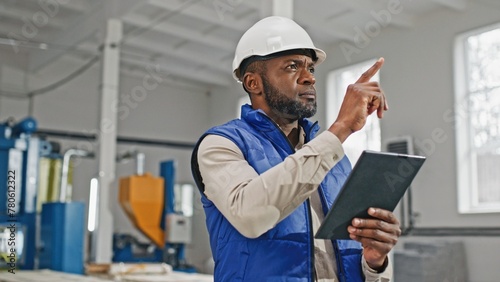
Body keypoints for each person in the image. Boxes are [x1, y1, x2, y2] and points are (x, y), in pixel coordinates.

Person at [191, 16, 401, 281]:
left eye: (311, 69)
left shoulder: (333, 157)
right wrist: (342, 128)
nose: (309, 78)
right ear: (253, 83)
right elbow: (250, 216)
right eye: (293, 67)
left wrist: (375, 262)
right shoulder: (221, 145)